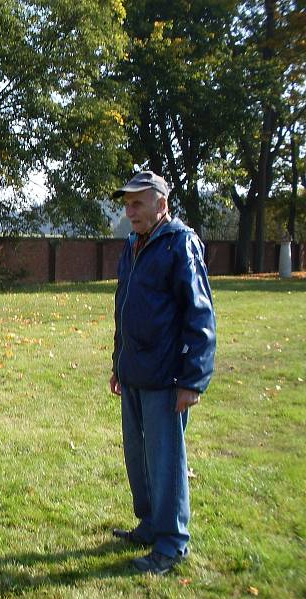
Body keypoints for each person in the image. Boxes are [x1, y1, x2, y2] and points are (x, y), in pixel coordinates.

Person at [109, 171, 216, 575]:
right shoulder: (133, 245)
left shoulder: (179, 244)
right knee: (139, 459)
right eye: (127, 203)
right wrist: (119, 362)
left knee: (166, 461)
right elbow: (125, 306)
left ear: (161, 204)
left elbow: (199, 315)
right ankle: (151, 524)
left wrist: (192, 380)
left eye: (138, 202)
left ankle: (172, 544)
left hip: (167, 378)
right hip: (135, 372)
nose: (130, 210)